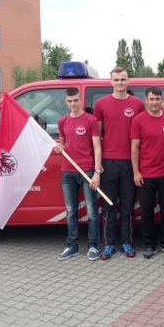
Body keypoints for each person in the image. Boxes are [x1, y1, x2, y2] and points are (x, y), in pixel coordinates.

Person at [93, 66, 145, 260]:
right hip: (108, 162)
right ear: (111, 82)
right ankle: (108, 245)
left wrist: (137, 167)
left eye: (123, 80)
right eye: (116, 80)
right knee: (108, 206)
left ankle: (127, 242)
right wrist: (98, 166)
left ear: (128, 81)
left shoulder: (138, 104)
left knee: (128, 206)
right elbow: (97, 137)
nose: (120, 83)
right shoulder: (101, 104)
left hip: (130, 163)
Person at [55, 87, 102, 261]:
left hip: (87, 171)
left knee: (91, 211)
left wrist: (97, 172)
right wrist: (61, 148)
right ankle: (72, 246)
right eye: (69, 101)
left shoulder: (91, 120)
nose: (73, 104)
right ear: (66, 102)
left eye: (76, 100)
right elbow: (64, 144)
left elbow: (97, 148)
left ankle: (93, 246)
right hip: (67, 172)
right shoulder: (62, 121)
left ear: (80, 99)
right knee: (71, 211)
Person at [131, 86, 164, 259]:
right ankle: (150, 244)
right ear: (146, 100)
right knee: (147, 211)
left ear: (162, 100)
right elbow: (134, 148)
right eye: (152, 99)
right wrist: (136, 171)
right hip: (146, 173)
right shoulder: (138, 120)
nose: (155, 102)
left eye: (158, 99)